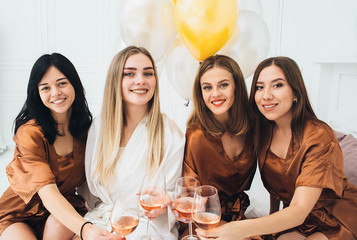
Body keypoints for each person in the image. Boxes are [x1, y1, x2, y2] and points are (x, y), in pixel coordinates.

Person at [197, 56, 357, 240]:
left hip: (338, 216)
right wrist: (274, 232)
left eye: (277, 85)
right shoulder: (264, 129)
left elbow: (299, 210)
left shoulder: (319, 137)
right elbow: (278, 188)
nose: (266, 95)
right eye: (259, 87)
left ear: (296, 92)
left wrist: (239, 229)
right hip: (298, 219)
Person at [0, 53, 120, 240]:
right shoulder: (30, 132)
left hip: (61, 211)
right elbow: (47, 193)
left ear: (74, 85)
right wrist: (86, 229)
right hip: (18, 214)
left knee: (60, 223)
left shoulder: (87, 131)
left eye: (62, 83)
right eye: (45, 87)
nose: (55, 93)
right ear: (37, 93)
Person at [82, 46, 185, 239]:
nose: (141, 80)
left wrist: (166, 201)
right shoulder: (100, 125)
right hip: (102, 220)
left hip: (148, 226)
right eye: (129, 73)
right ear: (116, 80)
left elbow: (170, 196)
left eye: (148, 73)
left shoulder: (170, 134)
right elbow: (90, 193)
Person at [181, 55, 256, 238]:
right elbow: (189, 196)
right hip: (202, 220)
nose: (215, 94)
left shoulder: (254, 128)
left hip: (238, 217)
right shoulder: (196, 135)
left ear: (237, 86)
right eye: (207, 87)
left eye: (223, 85)